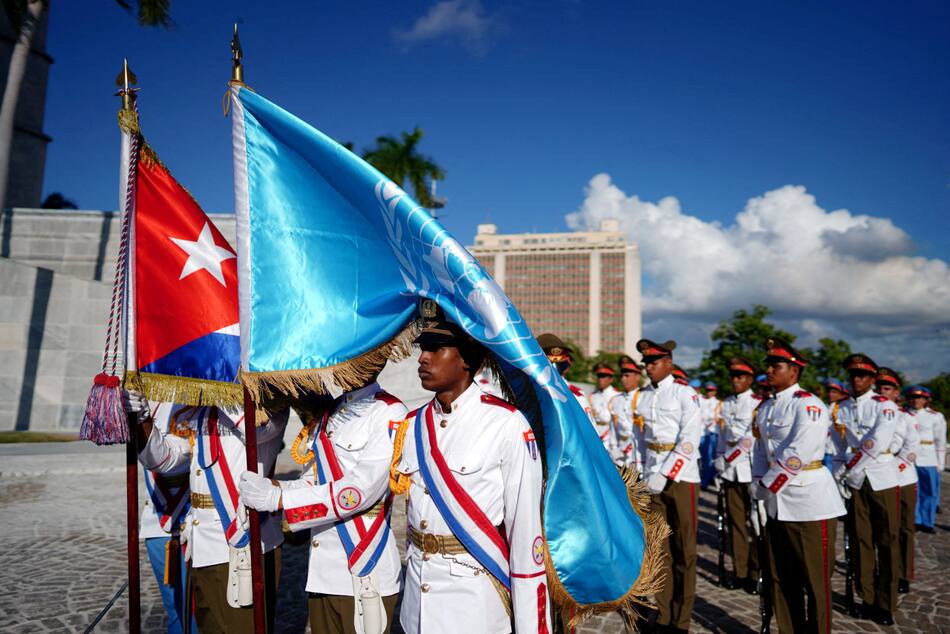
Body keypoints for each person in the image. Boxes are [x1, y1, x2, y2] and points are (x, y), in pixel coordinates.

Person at [391, 301, 550, 633]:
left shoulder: (506, 424)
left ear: (466, 359)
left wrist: (532, 626)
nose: (422, 357)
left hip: (473, 600)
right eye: (423, 348)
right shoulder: (413, 424)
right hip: (418, 596)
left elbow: (525, 534)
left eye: (436, 348)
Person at [238, 368, 408, 634]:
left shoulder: (390, 411)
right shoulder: (333, 411)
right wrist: (273, 488)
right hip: (323, 571)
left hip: (365, 565)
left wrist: (280, 498)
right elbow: (314, 480)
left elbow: (358, 492)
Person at [127, 393, 289, 634]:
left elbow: (255, 429)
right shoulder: (203, 406)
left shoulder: (269, 399)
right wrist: (142, 419)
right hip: (203, 542)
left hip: (244, 540)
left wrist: (217, 383)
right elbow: (165, 460)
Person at [751, 338, 845, 634]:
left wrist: (767, 486)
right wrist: (758, 484)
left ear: (794, 370)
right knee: (781, 578)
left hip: (809, 503)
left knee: (815, 581)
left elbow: (797, 454)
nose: (769, 370)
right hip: (776, 505)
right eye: (767, 365)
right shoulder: (766, 407)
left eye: (775, 365)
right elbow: (760, 449)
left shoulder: (809, 405)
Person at [634, 338, 701, 633]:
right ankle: (662, 615)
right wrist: (639, 474)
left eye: (654, 362)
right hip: (652, 478)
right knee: (660, 549)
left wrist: (667, 472)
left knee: (684, 550)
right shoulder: (643, 396)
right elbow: (639, 440)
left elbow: (690, 438)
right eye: (646, 363)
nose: (649, 367)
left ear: (669, 363)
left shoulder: (685, 394)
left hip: (681, 477)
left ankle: (681, 620)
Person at [833, 353, 900, 625]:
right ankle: (867, 597)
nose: (856, 380)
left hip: (881, 476)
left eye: (862, 375)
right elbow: (838, 444)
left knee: (887, 541)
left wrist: (852, 469)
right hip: (855, 480)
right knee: (861, 541)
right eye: (853, 375)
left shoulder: (884, 406)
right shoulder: (841, 407)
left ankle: (886, 603)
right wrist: (839, 472)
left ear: (872, 379)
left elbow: (877, 441)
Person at [139, 402, 193, 634]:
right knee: (175, 610)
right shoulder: (145, 398)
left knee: (198, 612)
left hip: (198, 521)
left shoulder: (204, 392)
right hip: (157, 520)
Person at [714, 357, 761, 593]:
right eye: (733, 376)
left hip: (750, 468)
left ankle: (756, 572)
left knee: (756, 523)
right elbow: (723, 436)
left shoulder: (757, 403)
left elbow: (749, 439)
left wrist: (727, 459)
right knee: (735, 524)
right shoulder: (727, 403)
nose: (735, 380)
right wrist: (719, 463)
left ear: (750, 379)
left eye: (740, 376)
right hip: (730, 471)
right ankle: (740, 571)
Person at [877, 367, 920, 595]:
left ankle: (904, 573)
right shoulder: (873, 413)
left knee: (904, 529)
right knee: (882, 530)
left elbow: (911, 448)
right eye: (879, 388)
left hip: (902, 479)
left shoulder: (905, 417)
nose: (882, 392)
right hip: (878, 480)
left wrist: (892, 467)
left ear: (896, 392)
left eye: (887, 388)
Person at [905, 385, 946, 534]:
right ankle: (916, 520)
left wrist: (940, 462)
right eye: (913, 397)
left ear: (926, 400)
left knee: (930, 491)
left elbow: (940, 441)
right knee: (913, 492)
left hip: (928, 458)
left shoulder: (935, 416)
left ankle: (927, 522)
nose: (916, 400)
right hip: (909, 458)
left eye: (920, 398)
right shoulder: (904, 414)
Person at [538, 333, 593, 423]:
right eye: (551, 364)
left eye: (560, 365)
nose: (554, 369)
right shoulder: (524, 391)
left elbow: (589, 429)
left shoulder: (576, 396)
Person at [608, 355, 644, 471]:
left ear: (637, 377)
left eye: (627, 375)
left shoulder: (644, 397)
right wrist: (613, 448)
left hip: (638, 452)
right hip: (619, 453)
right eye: (622, 376)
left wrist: (624, 449)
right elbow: (613, 428)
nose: (623, 379)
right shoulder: (616, 399)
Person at [588, 362, 620, 455]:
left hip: (610, 437)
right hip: (595, 435)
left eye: (603, 376)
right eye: (599, 376)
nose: (600, 379)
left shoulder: (616, 395)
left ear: (611, 379)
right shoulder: (592, 395)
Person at [699, 382, 722, 489]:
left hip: (712, 433)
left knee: (710, 457)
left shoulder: (719, 403)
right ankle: (704, 478)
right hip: (701, 432)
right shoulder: (701, 400)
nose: (709, 392)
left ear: (715, 391)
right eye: (707, 390)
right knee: (701, 458)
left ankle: (706, 481)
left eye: (711, 390)